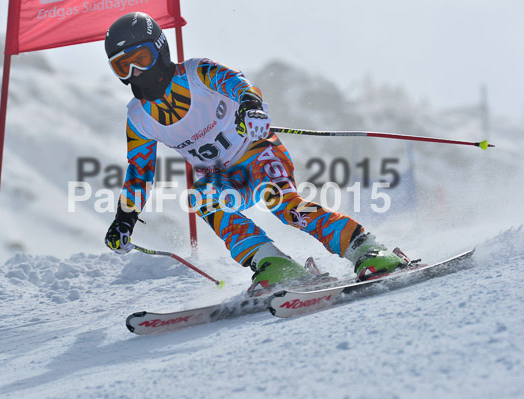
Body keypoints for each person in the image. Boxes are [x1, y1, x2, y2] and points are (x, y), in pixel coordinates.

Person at [103, 12, 408, 289]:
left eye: (141, 58)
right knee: (201, 197)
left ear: (160, 49)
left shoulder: (196, 74)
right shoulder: (138, 117)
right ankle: (272, 263)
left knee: (283, 204)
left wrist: (251, 108)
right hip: (224, 176)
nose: (134, 72)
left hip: (259, 152)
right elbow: (139, 172)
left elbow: (238, 83)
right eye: (122, 66)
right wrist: (124, 219)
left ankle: (366, 249)